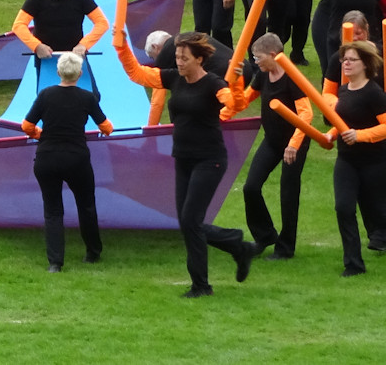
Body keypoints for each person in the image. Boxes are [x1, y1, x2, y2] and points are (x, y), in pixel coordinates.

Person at [115, 28, 258, 296]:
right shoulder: (173, 78)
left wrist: (237, 82)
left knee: (191, 220)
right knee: (186, 221)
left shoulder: (214, 84)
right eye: (177, 57)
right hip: (183, 158)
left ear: (199, 59)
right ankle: (237, 245)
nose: (178, 62)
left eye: (184, 58)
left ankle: (201, 285)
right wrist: (122, 48)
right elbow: (137, 74)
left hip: (210, 159)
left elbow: (235, 104)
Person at [20, 52, 113, 272]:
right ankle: (92, 252)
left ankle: (55, 262)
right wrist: (107, 128)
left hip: (47, 158)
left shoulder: (45, 95)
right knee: (86, 205)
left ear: (58, 72)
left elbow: (26, 126)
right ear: (80, 74)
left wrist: (39, 134)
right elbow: (106, 127)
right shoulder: (87, 97)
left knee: (52, 210)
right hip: (76, 158)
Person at [239, 33, 310, 261]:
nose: (256, 62)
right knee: (250, 187)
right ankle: (265, 235)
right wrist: (224, 106)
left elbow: (306, 114)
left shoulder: (293, 77)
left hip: (295, 142)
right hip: (272, 140)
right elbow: (244, 100)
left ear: (272, 55)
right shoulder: (263, 74)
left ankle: (286, 248)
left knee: (288, 192)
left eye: (257, 58)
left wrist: (293, 145)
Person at [329, 40, 386, 276]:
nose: (346, 64)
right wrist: (331, 134)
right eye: (344, 59)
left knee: (377, 211)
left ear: (365, 64)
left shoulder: (374, 93)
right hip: (346, 161)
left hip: (374, 161)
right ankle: (353, 264)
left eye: (352, 59)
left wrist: (360, 135)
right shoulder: (343, 90)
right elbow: (342, 124)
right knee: (343, 208)